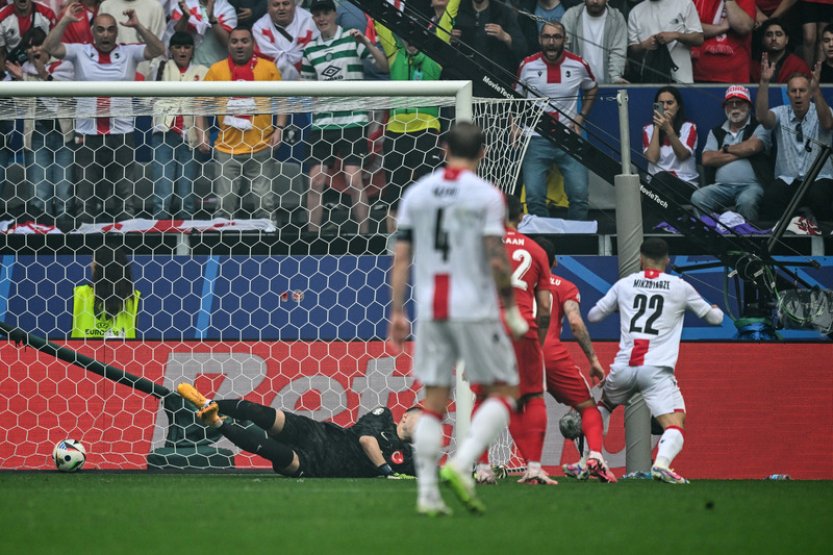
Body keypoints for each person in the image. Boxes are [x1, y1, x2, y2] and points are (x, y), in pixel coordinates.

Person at [388, 123, 528, 515]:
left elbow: (401, 258)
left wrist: (398, 312)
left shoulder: (417, 192)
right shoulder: (487, 195)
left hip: (432, 310)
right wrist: (511, 307)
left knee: (432, 403)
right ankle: (461, 464)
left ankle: (428, 493)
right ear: (483, 153)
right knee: (505, 391)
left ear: (443, 148)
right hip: (475, 309)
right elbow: (496, 257)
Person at [586, 238, 724, 484]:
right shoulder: (679, 286)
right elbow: (714, 319)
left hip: (624, 366)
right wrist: (717, 309)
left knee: (605, 405)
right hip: (656, 371)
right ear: (667, 260)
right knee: (675, 422)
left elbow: (594, 315)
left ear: (640, 258)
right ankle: (661, 464)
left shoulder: (625, 284)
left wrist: (622, 306)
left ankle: (593, 455)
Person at [42, 5, 165, 225]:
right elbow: (49, 48)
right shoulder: (80, 51)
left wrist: (138, 25)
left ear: (116, 33)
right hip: (87, 135)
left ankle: (126, 247)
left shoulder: (129, 52)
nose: (105, 34)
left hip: (122, 134)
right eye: (100, 29)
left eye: (110, 30)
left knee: (124, 199)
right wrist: (65, 20)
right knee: (86, 200)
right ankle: (87, 249)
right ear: (93, 32)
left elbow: (158, 49)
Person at [472, 195, 554, 486]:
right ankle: (533, 467)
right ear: (521, 217)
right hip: (522, 329)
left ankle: (482, 468)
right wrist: (538, 340)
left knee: (482, 396)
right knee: (531, 396)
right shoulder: (536, 250)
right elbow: (544, 308)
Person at [177, 382, 418, 478]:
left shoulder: (407, 455)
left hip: (320, 465)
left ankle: (217, 422)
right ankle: (207, 403)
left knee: (274, 453)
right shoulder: (384, 416)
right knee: (263, 414)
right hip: (320, 434)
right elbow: (366, 440)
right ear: (405, 416)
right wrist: (385, 470)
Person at [527, 237, 616, 483]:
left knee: (506, 405)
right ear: (554, 263)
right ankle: (595, 457)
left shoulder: (516, 286)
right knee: (587, 406)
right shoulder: (565, 286)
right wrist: (594, 360)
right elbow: (576, 324)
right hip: (549, 353)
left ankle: (490, 466)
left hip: (516, 352)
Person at [301, 0, 388, 235]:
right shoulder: (310, 49)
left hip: (353, 120)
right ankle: (312, 237)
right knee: (316, 181)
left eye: (326, 13)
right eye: (317, 14)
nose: (322, 18)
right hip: (323, 123)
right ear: (313, 17)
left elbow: (383, 67)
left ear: (334, 13)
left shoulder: (351, 38)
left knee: (353, 179)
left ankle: (364, 237)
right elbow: (308, 87)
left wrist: (366, 42)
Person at [197, 26, 287, 223]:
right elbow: (200, 104)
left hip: (261, 146)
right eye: (235, 41)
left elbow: (282, 101)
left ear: (252, 44)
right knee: (224, 205)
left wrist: (279, 129)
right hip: (227, 149)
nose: (239, 45)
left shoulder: (268, 68)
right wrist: (202, 133)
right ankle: (222, 249)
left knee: (265, 204)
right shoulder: (217, 70)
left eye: (244, 41)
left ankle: (267, 246)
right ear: (228, 45)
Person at [516, 21, 598, 221]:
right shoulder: (527, 65)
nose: (551, 42)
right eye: (547, 37)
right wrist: (514, 125)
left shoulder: (579, 64)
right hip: (535, 137)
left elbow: (592, 87)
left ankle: (576, 239)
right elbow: (515, 97)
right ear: (539, 39)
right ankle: (543, 238)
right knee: (534, 197)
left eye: (556, 37)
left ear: (564, 40)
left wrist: (581, 116)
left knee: (579, 196)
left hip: (568, 137)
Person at [6, 27, 74, 230]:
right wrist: (20, 80)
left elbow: (65, 97)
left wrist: (40, 72)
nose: (34, 49)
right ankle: (41, 240)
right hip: (36, 135)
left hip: (63, 134)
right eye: (30, 46)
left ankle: (66, 239)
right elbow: (20, 105)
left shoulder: (64, 66)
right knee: (39, 195)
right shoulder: (22, 70)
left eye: (39, 45)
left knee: (64, 193)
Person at [756, 62, 833, 227]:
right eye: (794, 91)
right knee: (771, 197)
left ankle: (827, 242)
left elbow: (827, 124)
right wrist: (764, 82)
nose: (798, 95)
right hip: (788, 179)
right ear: (788, 94)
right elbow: (763, 118)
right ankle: (772, 243)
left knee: (819, 195)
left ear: (809, 93)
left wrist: (816, 89)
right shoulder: (780, 112)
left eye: (803, 90)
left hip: (819, 179)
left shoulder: (822, 110)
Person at [380, 36, 443, 234]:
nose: (411, 39)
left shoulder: (434, 58)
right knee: (394, 194)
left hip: (426, 130)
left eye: (414, 34)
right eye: (407, 35)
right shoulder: (394, 54)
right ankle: (391, 247)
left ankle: (427, 240)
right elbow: (380, 24)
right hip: (395, 131)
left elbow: (448, 19)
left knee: (428, 190)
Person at [148, 31, 209, 220]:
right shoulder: (159, 67)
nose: (182, 51)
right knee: (162, 188)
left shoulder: (202, 71)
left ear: (192, 50)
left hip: (190, 136)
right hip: (164, 134)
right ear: (171, 50)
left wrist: (203, 135)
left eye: (187, 47)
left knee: (186, 191)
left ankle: (186, 233)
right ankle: (160, 230)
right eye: (177, 47)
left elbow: (203, 107)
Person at [691, 85, 771, 223]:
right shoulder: (716, 132)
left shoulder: (759, 126)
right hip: (721, 187)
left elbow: (753, 147)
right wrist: (742, 151)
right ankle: (711, 235)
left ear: (748, 106)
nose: (734, 107)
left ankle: (748, 239)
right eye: (729, 103)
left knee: (747, 201)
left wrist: (725, 149)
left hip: (751, 186)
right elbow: (707, 159)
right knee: (698, 197)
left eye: (739, 102)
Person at [448, 0, 527, 96]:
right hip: (464, 78)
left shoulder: (503, 11)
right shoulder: (458, 10)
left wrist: (505, 36)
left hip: (495, 80)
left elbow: (522, 47)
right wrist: (452, 39)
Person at [627, 0, 704, 83]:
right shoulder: (635, 12)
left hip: (682, 79)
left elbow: (699, 38)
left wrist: (676, 35)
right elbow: (632, 50)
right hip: (648, 80)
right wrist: (644, 45)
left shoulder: (685, 3)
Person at [72, 246, 140, 338]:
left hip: (121, 351)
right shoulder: (79, 293)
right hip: (81, 351)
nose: (90, 265)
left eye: (93, 261)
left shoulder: (134, 298)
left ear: (101, 266)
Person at [643, 86, 700, 190]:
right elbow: (652, 158)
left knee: (663, 178)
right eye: (661, 104)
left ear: (678, 107)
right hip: (656, 184)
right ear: (656, 107)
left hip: (684, 183)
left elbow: (683, 155)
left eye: (669, 103)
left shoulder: (689, 127)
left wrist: (668, 129)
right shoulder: (648, 129)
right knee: (660, 180)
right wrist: (657, 126)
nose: (665, 107)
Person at [561, 0, 628, 84]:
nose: (595, 1)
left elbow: (618, 51)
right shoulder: (571, 15)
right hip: (576, 86)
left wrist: (615, 77)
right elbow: (564, 49)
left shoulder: (617, 18)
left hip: (607, 85)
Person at [692, 0, 756, 83]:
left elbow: (744, 26)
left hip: (735, 77)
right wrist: (721, 28)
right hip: (698, 74)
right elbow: (688, 29)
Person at [252, 0, 317, 81]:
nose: (281, 8)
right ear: (268, 8)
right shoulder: (259, 28)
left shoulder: (311, 22)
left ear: (294, 5)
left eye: (286, 4)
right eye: (276, 5)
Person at [98, 0, 165, 77]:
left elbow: (158, 48)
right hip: (111, 73)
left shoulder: (155, 7)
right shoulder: (106, 5)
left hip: (144, 75)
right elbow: (99, 44)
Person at [166, 0, 238, 67]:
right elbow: (177, 35)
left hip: (215, 67)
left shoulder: (226, 9)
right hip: (189, 68)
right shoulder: (186, 5)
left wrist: (212, 19)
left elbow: (227, 42)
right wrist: (185, 17)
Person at [0, 0, 56, 74]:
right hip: (14, 72)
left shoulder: (47, 13)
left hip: (44, 70)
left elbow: (56, 46)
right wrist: (5, 76)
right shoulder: (1, 16)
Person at [750, 18, 811, 82]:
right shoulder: (753, 66)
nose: (774, 38)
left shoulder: (799, 66)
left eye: (778, 34)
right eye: (769, 34)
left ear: (786, 39)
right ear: (763, 40)